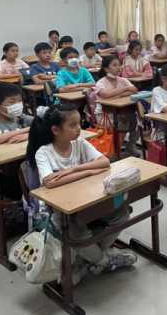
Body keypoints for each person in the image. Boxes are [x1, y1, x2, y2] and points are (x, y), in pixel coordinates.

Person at [27, 104, 137, 282]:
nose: (79, 128)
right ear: (55, 130)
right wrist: (89, 171)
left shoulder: (79, 143)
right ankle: (103, 260)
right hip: (60, 211)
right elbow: (50, 182)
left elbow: (104, 162)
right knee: (76, 233)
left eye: (79, 123)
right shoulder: (44, 152)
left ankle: (87, 261)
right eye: (72, 125)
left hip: (88, 202)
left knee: (122, 214)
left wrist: (73, 170)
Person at [0, 83, 33, 199]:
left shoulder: (22, 118)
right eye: (12, 102)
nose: (18, 105)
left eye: (20, 101)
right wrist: (27, 130)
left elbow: (44, 125)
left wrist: (28, 135)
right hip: (1, 176)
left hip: (24, 167)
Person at [94, 56, 139, 156]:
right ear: (106, 69)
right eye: (115, 65)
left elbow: (134, 90)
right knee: (123, 123)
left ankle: (130, 146)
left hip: (122, 111)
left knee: (138, 122)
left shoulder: (123, 80)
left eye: (119, 65)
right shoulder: (101, 82)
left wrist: (116, 95)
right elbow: (105, 95)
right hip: (105, 114)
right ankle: (114, 152)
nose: (118, 67)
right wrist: (125, 89)